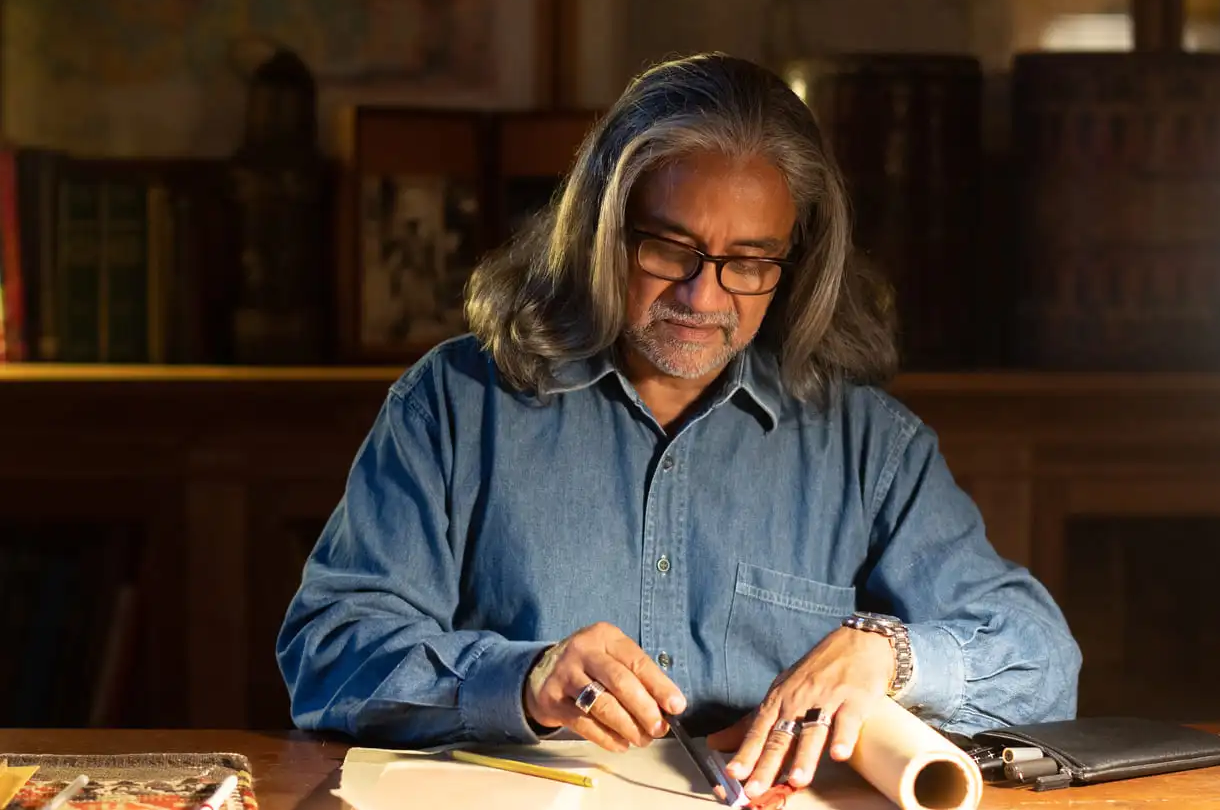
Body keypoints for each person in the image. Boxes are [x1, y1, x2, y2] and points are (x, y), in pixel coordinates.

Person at [276, 52, 1081, 801]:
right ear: (602, 230)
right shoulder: (455, 403)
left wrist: (890, 656)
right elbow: (328, 650)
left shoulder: (869, 445)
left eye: (749, 262)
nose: (703, 296)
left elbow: (1044, 661)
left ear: (794, 263)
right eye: (670, 248)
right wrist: (525, 679)